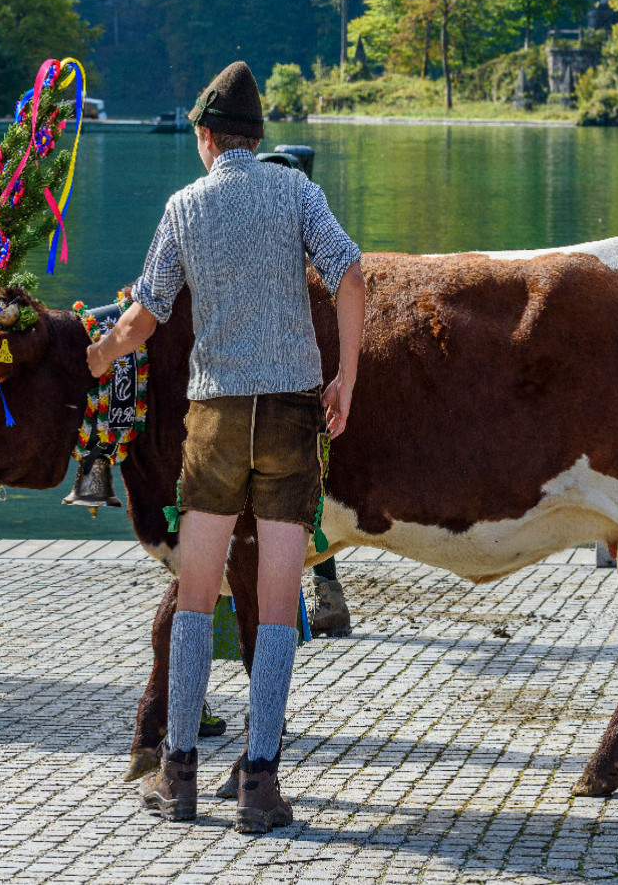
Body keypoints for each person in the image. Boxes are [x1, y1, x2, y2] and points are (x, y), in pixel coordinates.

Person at [86, 60, 364, 833]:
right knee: (276, 600)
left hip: (211, 417)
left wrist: (102, 354)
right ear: (259, 137)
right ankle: (260, 788)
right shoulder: (298, 192)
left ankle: (178, 777)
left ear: (206, 138)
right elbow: (352, 275)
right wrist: (345, 377)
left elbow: (144, 315)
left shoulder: (184, 206)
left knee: (198, 594)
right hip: (289, 416)